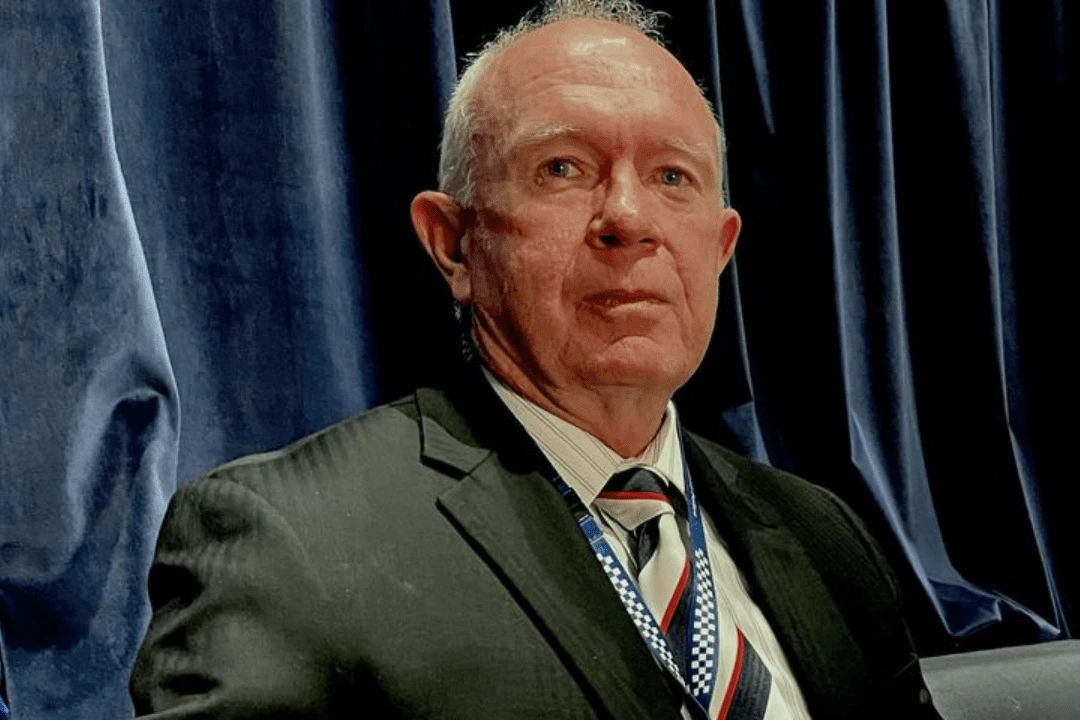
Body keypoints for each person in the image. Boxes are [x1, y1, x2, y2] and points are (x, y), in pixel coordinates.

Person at [131, 2, 942, 718]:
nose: (629, 217)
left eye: (672, 176)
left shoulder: (825, 537)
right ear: (454, 244)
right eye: (564, 169)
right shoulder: (289, 540)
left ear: (720, 247)